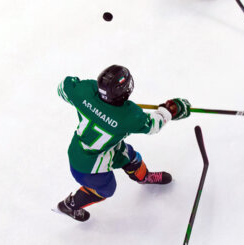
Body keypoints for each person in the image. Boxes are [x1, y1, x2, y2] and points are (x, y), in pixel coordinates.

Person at [56, 65, 191, 222]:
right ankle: (69, 205)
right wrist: (169, 111)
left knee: (129, 156)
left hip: (85, 150)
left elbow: (63, 88)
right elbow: (153, 125)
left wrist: (83, 97)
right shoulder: (129, 117)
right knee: (107, 189)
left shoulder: (84, 91)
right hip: (88, 168)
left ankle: (144, 177)